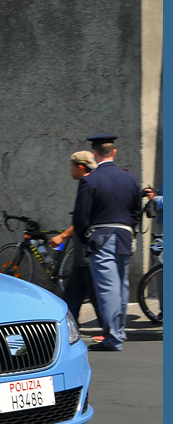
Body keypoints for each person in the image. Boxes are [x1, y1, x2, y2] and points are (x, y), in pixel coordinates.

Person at [73, 132, 143, 351]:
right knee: (121, 286)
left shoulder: (90, 179)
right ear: (114, 152)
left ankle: (113, 338)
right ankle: (118, 333)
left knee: (108, 288)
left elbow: (81, 216)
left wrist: (87, 237)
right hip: (125, 236)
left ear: (95, 154)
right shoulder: (130, 178)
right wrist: (132, 230)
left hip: (101, 236)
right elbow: (136, 211)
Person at [48, 151, 97, 324]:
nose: (71, 170)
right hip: (82, 252)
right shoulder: (93, 181)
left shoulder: (88, 183)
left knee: (93, 292)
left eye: (72, 167)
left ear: (80, 167)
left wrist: (62, 236)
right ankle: (69, 325)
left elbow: (82, 219)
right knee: (73, 292)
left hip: (86, 247)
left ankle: (110, 331)